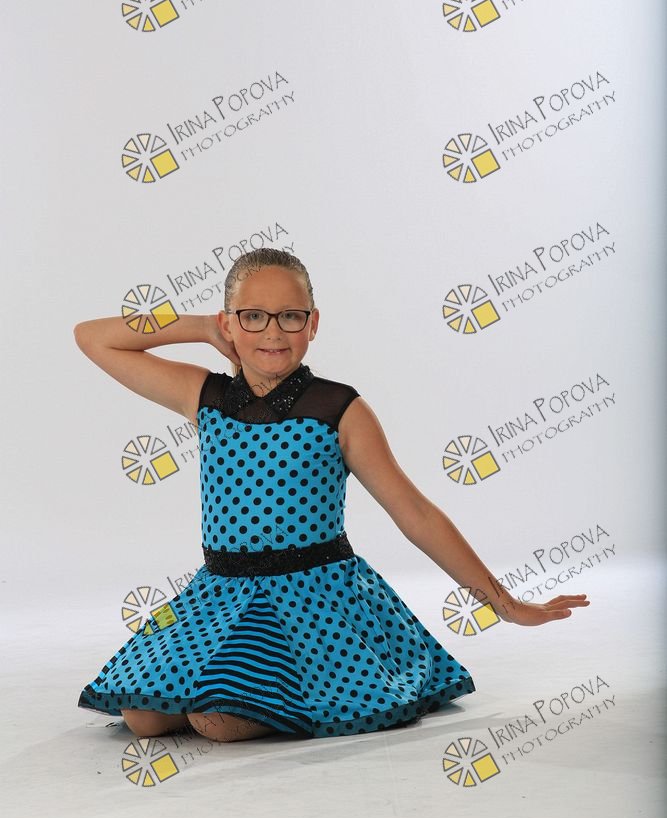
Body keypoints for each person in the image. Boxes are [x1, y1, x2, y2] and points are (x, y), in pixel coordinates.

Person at [74, 247, 590, 743]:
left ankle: (276, 692)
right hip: (220, 594)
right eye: (252, 317)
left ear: (313, 323)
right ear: (230, 323)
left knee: (213, 720)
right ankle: (234, 688)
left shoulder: (337, 408)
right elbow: (93, 338)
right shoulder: (204, 396)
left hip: (310, 600)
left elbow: (413, 513)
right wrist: (202, 328)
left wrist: (504, 603)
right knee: (141, 716)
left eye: (290, 316)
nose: (273, 332)